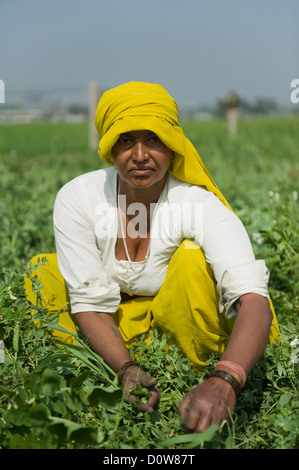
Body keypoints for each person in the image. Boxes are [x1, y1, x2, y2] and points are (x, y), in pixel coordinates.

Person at [25, 81, 279, 433]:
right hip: (107, 319)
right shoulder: (79, 197)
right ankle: (90, 365)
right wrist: (126, 367)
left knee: (192, 261)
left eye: (155, 140)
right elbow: (89, 302)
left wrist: (227, 379)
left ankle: (191, 363)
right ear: (108, 148)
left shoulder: (197, 204)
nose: (140, 154)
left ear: (174, 147)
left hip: (173, 322)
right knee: (43, 272)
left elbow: (253, 299)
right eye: (126, 140)